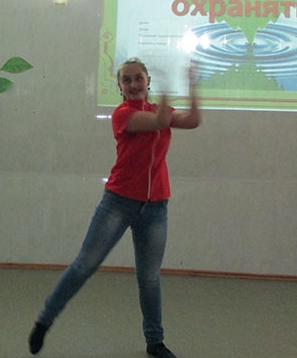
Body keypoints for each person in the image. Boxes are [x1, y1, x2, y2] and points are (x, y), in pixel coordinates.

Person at [28, 58, 200, 358]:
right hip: (119, 202)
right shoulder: (122, 115)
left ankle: (155, 342)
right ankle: (44, 320)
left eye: (139, 78)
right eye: (127, 80)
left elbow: (192, 120)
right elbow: (160, 122)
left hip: (156, 207)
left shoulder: (159, 109)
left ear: (147, 81)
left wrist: (193, 86)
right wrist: (168, 86)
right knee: (85, 265)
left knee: (149, 278)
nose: (133, 84)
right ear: (119, 86)